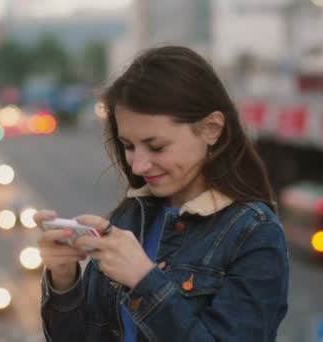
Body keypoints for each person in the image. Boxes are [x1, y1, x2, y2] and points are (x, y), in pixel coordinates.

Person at [34, 45, 289, 342]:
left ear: (212, 128)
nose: (139, 165)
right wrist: (63, 278)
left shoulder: (255, 233)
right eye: (128, 146)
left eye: (156, 147)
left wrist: (144, 281)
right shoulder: (131, 215)